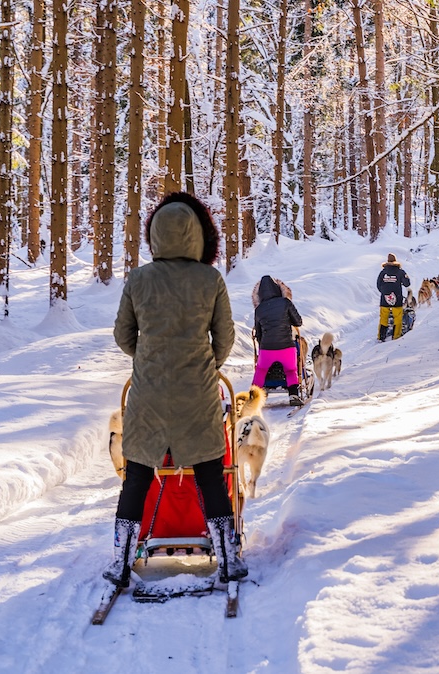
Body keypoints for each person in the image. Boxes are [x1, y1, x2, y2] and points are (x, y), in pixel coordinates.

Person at [108, 192, 246, 587]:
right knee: (209, 474)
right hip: (199, 393)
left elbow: (123, 335)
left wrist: (151, 359)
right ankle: (229, 557)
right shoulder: (210, 280)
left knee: (137, 476)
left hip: (148, 395)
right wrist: (204, 366)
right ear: (199, 234)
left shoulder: (139, 279)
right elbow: (225, 338)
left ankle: (120, 561)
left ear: (155, 235)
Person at [252, 274, 305, 406]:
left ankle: (253, 398)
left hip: (267, 349)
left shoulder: (259, 309)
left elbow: (258, 334)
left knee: (261, 370)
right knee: (290, 370)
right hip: (286, 347)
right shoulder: (285, 303)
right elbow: (298, 322)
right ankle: (293, 395)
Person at [377, 253, 411, 341]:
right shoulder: (400, 271)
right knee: (398, 318)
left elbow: (378, 284)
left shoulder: (383, 272)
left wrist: (384, 291)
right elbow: (407, 283)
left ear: (387, 261)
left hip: (384, 299)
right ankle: (396, 336)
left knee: (383, 318)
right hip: (397, 298)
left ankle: (381, 337)